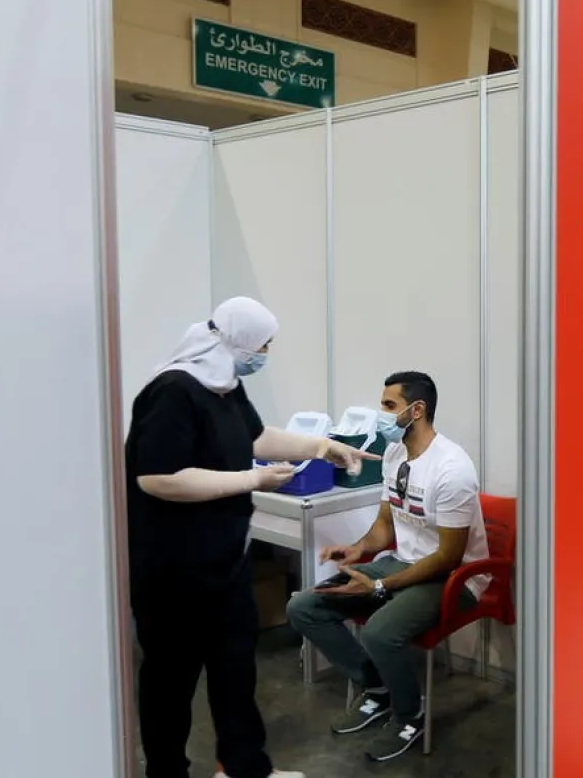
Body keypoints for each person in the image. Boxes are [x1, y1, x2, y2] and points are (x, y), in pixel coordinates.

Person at [126, 296, 375, 778]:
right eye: (262, 345)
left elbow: (256, 438)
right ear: (237, 340)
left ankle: (243, 768)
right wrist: (251, 481)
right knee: (170, 684)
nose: (264, 354)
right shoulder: (173, 391)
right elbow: (157, 478)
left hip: (225, 565)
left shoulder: (225, 387)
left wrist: (321, 446)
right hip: (173, 574)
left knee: (235, 672)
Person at [287, 370, 489, 763]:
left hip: (453, 578)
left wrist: (380, 587)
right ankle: (379, 688)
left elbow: (448, 557)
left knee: (379, 632)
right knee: (304, 607)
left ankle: (410, 715)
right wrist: (356, 549)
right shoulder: (394, 455)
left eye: (388, 406)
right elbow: (384, 525)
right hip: (404, 563)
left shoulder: (452, 468)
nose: (381, 415)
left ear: (417, 410)